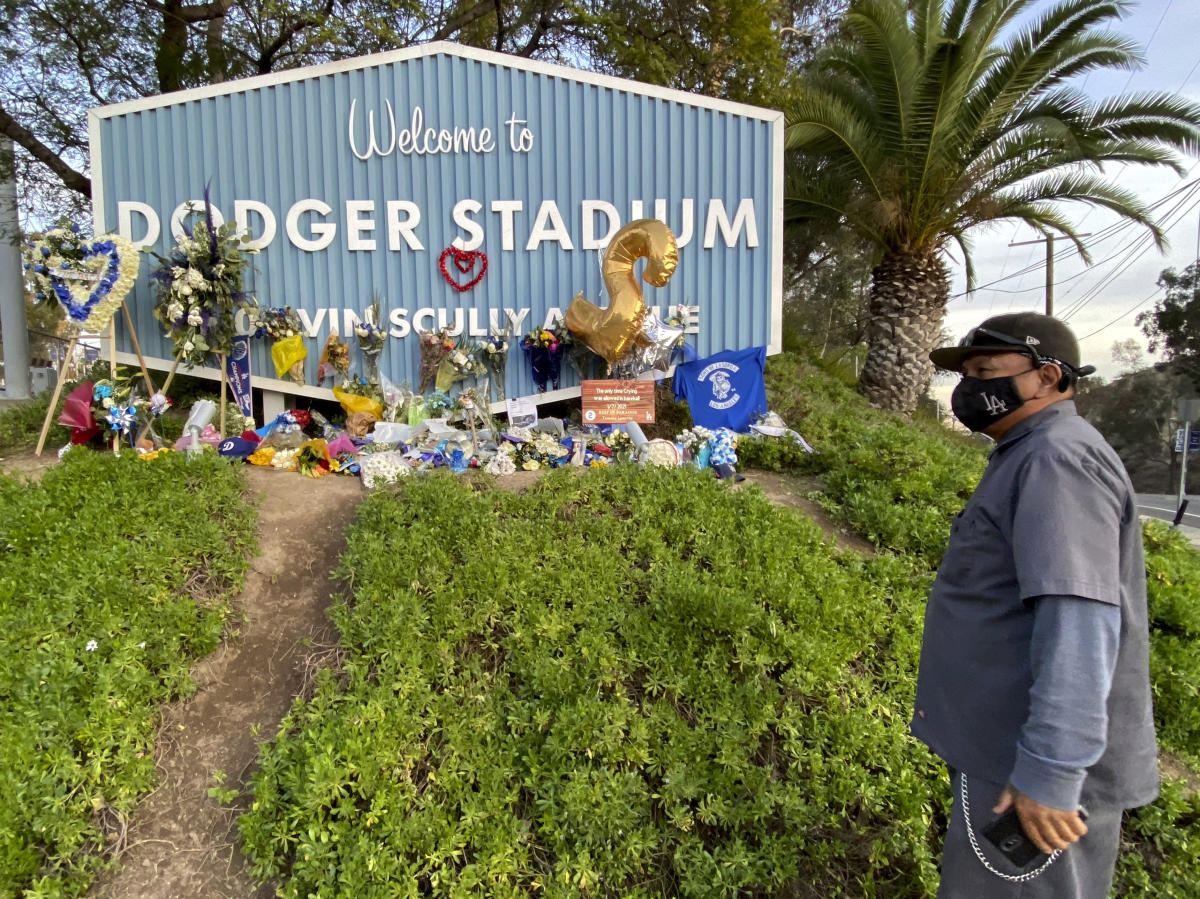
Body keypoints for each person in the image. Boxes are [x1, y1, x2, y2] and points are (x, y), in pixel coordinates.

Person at [914, 312, 1158, 898]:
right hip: (1005, 757)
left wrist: (1050, 774)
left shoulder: (1057, 460)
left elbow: (1079, 622)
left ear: (1048, 377)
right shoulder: (1029, 453)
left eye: (984, 371)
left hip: (1031, 781)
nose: (967, 388)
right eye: (966, 373)